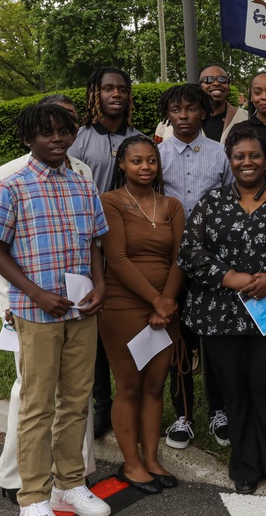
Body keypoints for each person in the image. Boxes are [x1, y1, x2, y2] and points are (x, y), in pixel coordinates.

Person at [0, 104, 111, 516]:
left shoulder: (82, 184)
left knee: (76, 401)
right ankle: (33, 496)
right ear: (28, 139)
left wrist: (101, 282)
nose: (57, 139)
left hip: (81, 311)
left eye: (64, 131)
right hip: (37, 312)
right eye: (47, 133)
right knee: (37, 405)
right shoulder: (13, 185)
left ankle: (69, 485)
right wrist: (36, 294)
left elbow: (94, 243)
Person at [178, 125, 266, 496]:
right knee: (235, 390)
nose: (247, 162)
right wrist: (229, 276)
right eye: (239, 156)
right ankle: (246, 466)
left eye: (254, 155)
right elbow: (189, 251)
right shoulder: (212, 202)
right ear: (230, 160)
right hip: (221, 314)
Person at [99, 135, 184, 494]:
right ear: (122, 164)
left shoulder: (172, 206)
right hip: (123, 306)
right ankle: (130, 464)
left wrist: (165, 302)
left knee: (155, 386)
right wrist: (155, 300)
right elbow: (116, 259)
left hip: (166, 308)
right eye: (136, 161)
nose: (145, 167)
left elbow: (181, 257)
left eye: (151, 160)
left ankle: (151, 459)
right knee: (129, 386)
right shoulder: (110, 201)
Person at [157, 84, 234, 450]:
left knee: (214, 341)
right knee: (178, 342)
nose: (184, 116)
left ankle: (220, 410)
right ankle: (183, 415)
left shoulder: (221, 154)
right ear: (168, 115)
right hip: (171, 263)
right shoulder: (156, 156)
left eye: (191, 109)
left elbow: (235, 201)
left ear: (204, 111)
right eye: (176, 110)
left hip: (215, 262)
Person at [68, 67, 142, 438]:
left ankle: (135, 398)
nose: (116, 94)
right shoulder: (78, 141)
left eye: (122, 89)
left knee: (127, 322)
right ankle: (102, 404)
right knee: (93, 328)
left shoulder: (140, 140)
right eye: (108, 88)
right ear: (94, 94)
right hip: (90, 250)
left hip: (131, 248)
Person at [155, 64, 248, 143]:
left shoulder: (246, 117)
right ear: (199, 87)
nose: (216, 83)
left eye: (222, 79)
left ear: (228, 87)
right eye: (208, 79)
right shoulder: (167, 124)